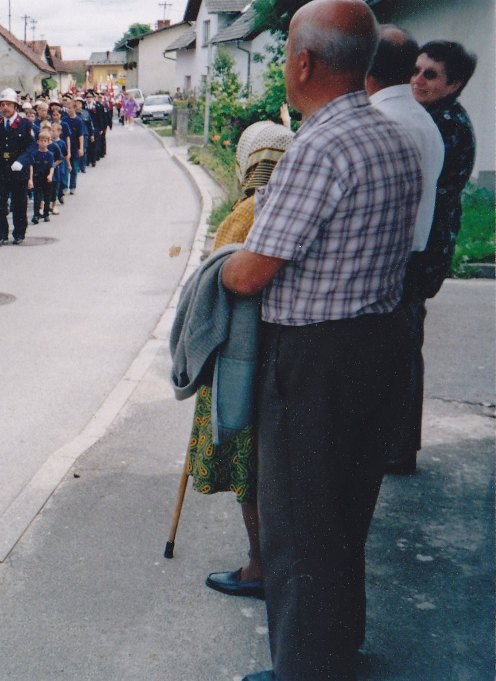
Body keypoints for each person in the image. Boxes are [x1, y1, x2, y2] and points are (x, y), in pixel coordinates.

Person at [219, 1, 422, 679]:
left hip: (314, 361)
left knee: (300, 525)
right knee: (345, 512)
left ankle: (305, 668)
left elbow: (250, 273)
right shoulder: (393, 134)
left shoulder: (317, 146)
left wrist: (219, 265)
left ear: (303, 62)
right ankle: (339, 647)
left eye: (285, 56)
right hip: (381, 344)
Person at [196, 120, 294, 603]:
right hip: (289, 353)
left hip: (243, 360)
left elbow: (215, 283)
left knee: (250, 468)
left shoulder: (244, 213)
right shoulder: (293, 204)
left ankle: (259, 564)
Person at [390, 40, 478, 473]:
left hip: (426, 248)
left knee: (403, 346)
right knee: (403, 343)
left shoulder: (445, 124)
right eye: (417, 70)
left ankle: (400, 449)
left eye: (431, 75)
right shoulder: (435, 117)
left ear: (454, 85)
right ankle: (397, 445)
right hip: (427, 243)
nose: (418, 80)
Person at [364, 27, 447, 476]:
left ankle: (386, 450)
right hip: (412, 254)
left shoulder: (385, 121)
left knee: (385, 363)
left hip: (387, 261)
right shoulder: (419, 118)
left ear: (366, 68)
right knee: (402, 356)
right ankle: (396, 448)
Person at [0, 88, 37, 246]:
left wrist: (21, 161)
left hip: (18, 171)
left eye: (8, 104)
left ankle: (19, 233)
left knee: (19, 204)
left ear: (16, 106)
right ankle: (2, 234)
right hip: (1, 172)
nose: (5, 108)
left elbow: (32, 147)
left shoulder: (24, 124)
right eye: (2, 104)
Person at [30, 130, 56, 224]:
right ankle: (36, 215)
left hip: (47, 178)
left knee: (47, 197)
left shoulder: (50, 154)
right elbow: (31, 166)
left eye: (45, 141)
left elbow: (52, 166)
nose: (43, 142)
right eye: (41, 140)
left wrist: (50, 175)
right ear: (38, 141)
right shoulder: (34, 153)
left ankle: (46, 214)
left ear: (49, 142)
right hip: (37, 177)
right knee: (37, 197)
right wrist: (30, 179)